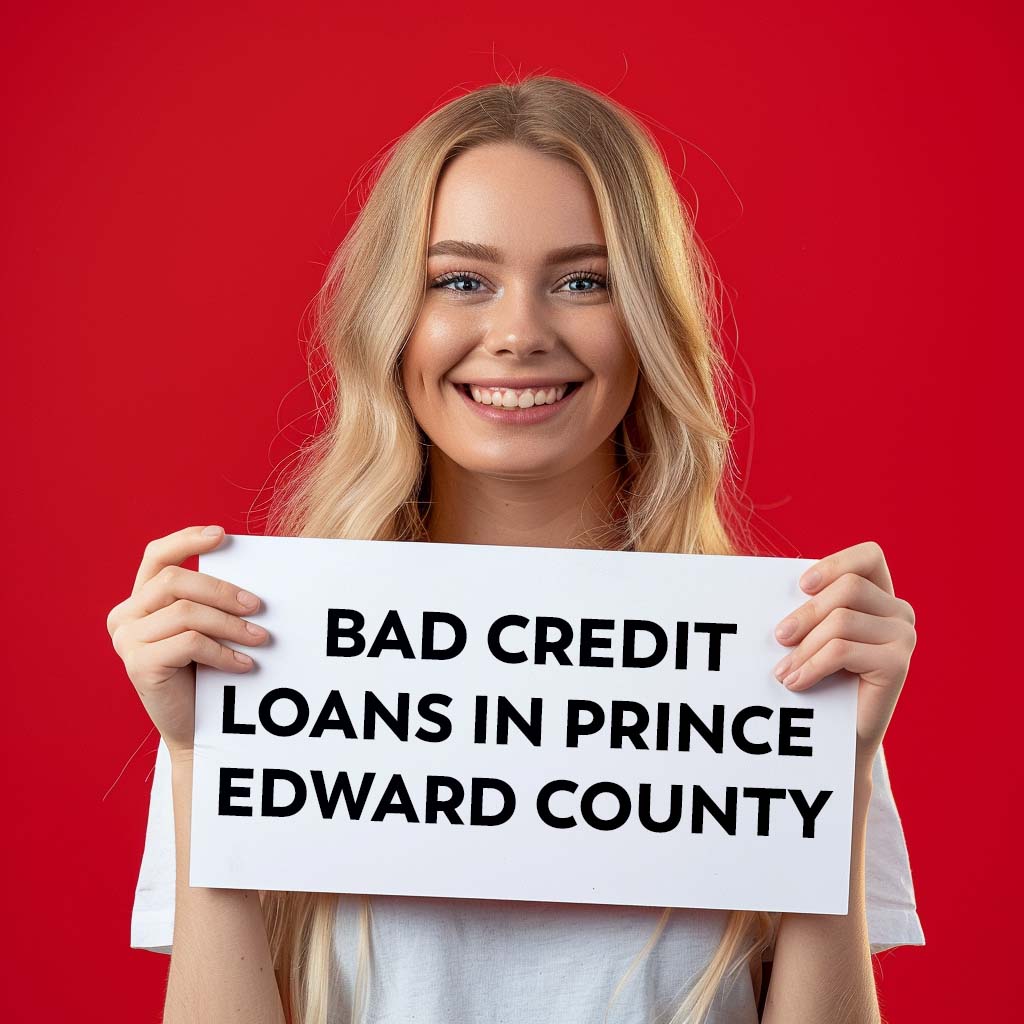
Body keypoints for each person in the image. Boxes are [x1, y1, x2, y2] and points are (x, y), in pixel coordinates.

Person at [107, 75, 924, 1024]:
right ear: (392, 316)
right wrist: (203, 756)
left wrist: (832, 772)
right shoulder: (264, 658)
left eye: (583, 281)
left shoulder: (780, 665)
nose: (520, 334)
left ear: (648, 320)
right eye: (462, 280)